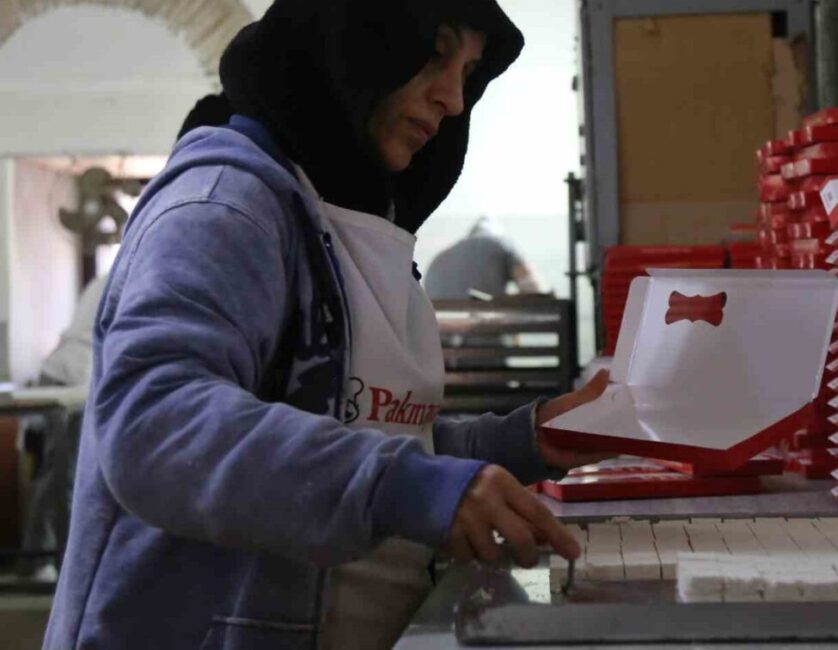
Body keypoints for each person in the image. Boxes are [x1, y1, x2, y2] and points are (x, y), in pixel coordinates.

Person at [44, 2, 610, 649]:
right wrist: (406, 483)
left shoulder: (342, 222)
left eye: (469, 71)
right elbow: (152, 423)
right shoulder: (225, 206)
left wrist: (524, 442)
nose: (453, 98)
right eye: (434, 54)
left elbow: (361, 435)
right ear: (359, 36)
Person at [18, 275, 107, 580]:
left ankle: (49, 562)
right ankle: (53, 565)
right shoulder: (129, 275)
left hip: (63, 371)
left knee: (59, 474)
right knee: (62, 476)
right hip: (73, 377)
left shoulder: (104, 278)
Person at [424, 216, 542, 299]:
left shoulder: (439, 258)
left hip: (440, 333)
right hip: (485, 331)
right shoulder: (502, 243)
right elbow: (533, 290)